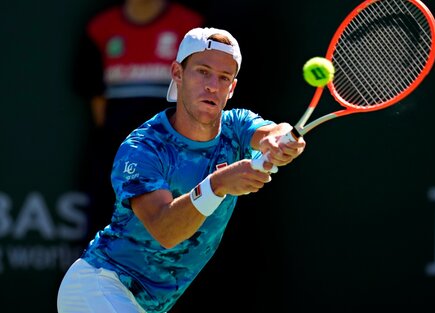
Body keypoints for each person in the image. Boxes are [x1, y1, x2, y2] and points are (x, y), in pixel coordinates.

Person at [58, 27, 306, 313]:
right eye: (203, 71)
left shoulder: (236, 127)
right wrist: (217, 184)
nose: (213, 85)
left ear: (232, 88)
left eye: (224, 78)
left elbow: (273, 131)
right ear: (177, 73)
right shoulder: (144, 148)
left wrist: (281, 139)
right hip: (98, 286)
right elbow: (166, 230)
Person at [74, 0, 205, 237]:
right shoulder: (100, 28)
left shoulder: (192, 29)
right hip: (115, 159)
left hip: (177, 159)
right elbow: (96, 100)